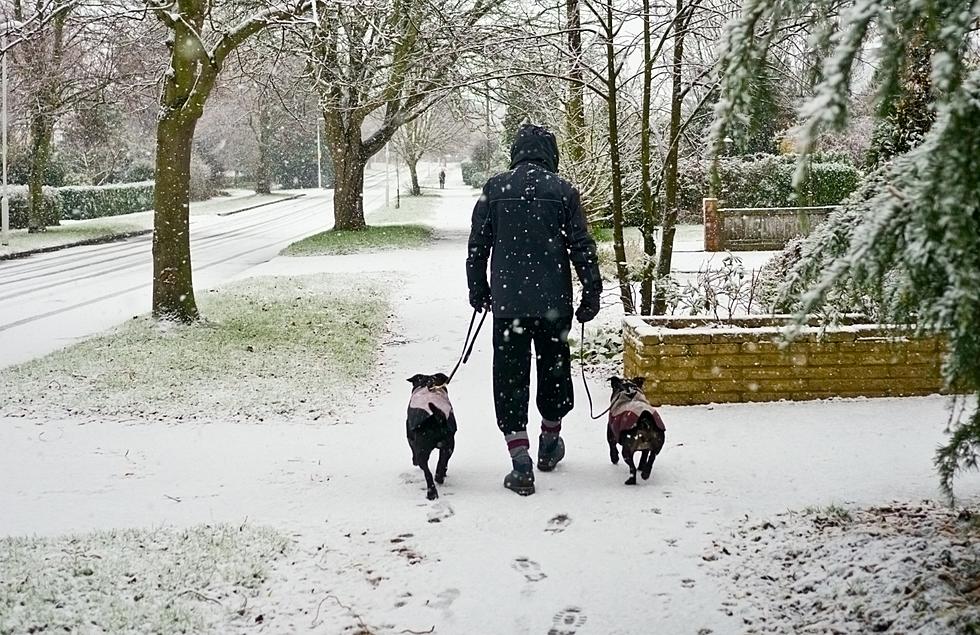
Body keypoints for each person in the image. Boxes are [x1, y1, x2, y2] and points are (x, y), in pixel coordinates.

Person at [466, 124, 602, 496]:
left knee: (510, 375)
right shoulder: (564, 192)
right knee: (554, 369)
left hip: (510, 305)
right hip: (553, 303)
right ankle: (549, 441)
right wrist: (592, 292)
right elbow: (581, 246)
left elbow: (478, 246)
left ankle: (519, 458)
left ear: (516, 152)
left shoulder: (495, 189)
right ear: (550, 154)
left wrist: (478, 289)